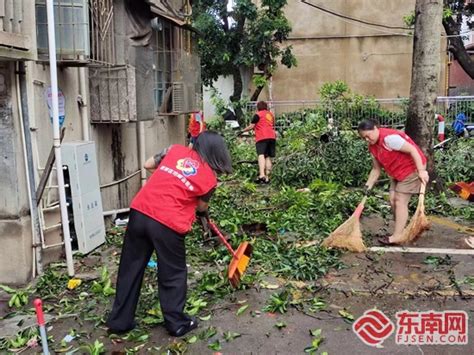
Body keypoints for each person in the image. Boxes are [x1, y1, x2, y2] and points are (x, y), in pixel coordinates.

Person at [106, 131, 232, 337]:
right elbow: (201, 207)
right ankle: (176, 323)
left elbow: (148, 164)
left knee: (130, 267)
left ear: (196, 144)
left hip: (140, 211)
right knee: (172, 273)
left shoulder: (174, 151)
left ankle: (120, 322)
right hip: (168, 222)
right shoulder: (209, 178)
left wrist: (171, 173)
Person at [358, 120, 429, 245]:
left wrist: (422, 171)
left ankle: (397, 236)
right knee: (392, 200)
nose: (367, 140)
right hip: (396, 172)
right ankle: (402, 229)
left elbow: (413, 150)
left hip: (411, 169)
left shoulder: (389, 139)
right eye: (364, 138)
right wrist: (367, 187)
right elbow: (376, 169)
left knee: (400, 201)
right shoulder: (372, 146)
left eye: (368, 136)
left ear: (375, 128)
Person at [241, 101, 276, 184]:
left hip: (262, 137)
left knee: (261, 155)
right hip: (272, 137)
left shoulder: (258, 115)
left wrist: (242, 130)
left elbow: (251, 126)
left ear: (258, 107)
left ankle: (262, 175)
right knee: (267, 157)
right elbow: (272, 124)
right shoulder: (270, 115)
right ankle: (267, 177)